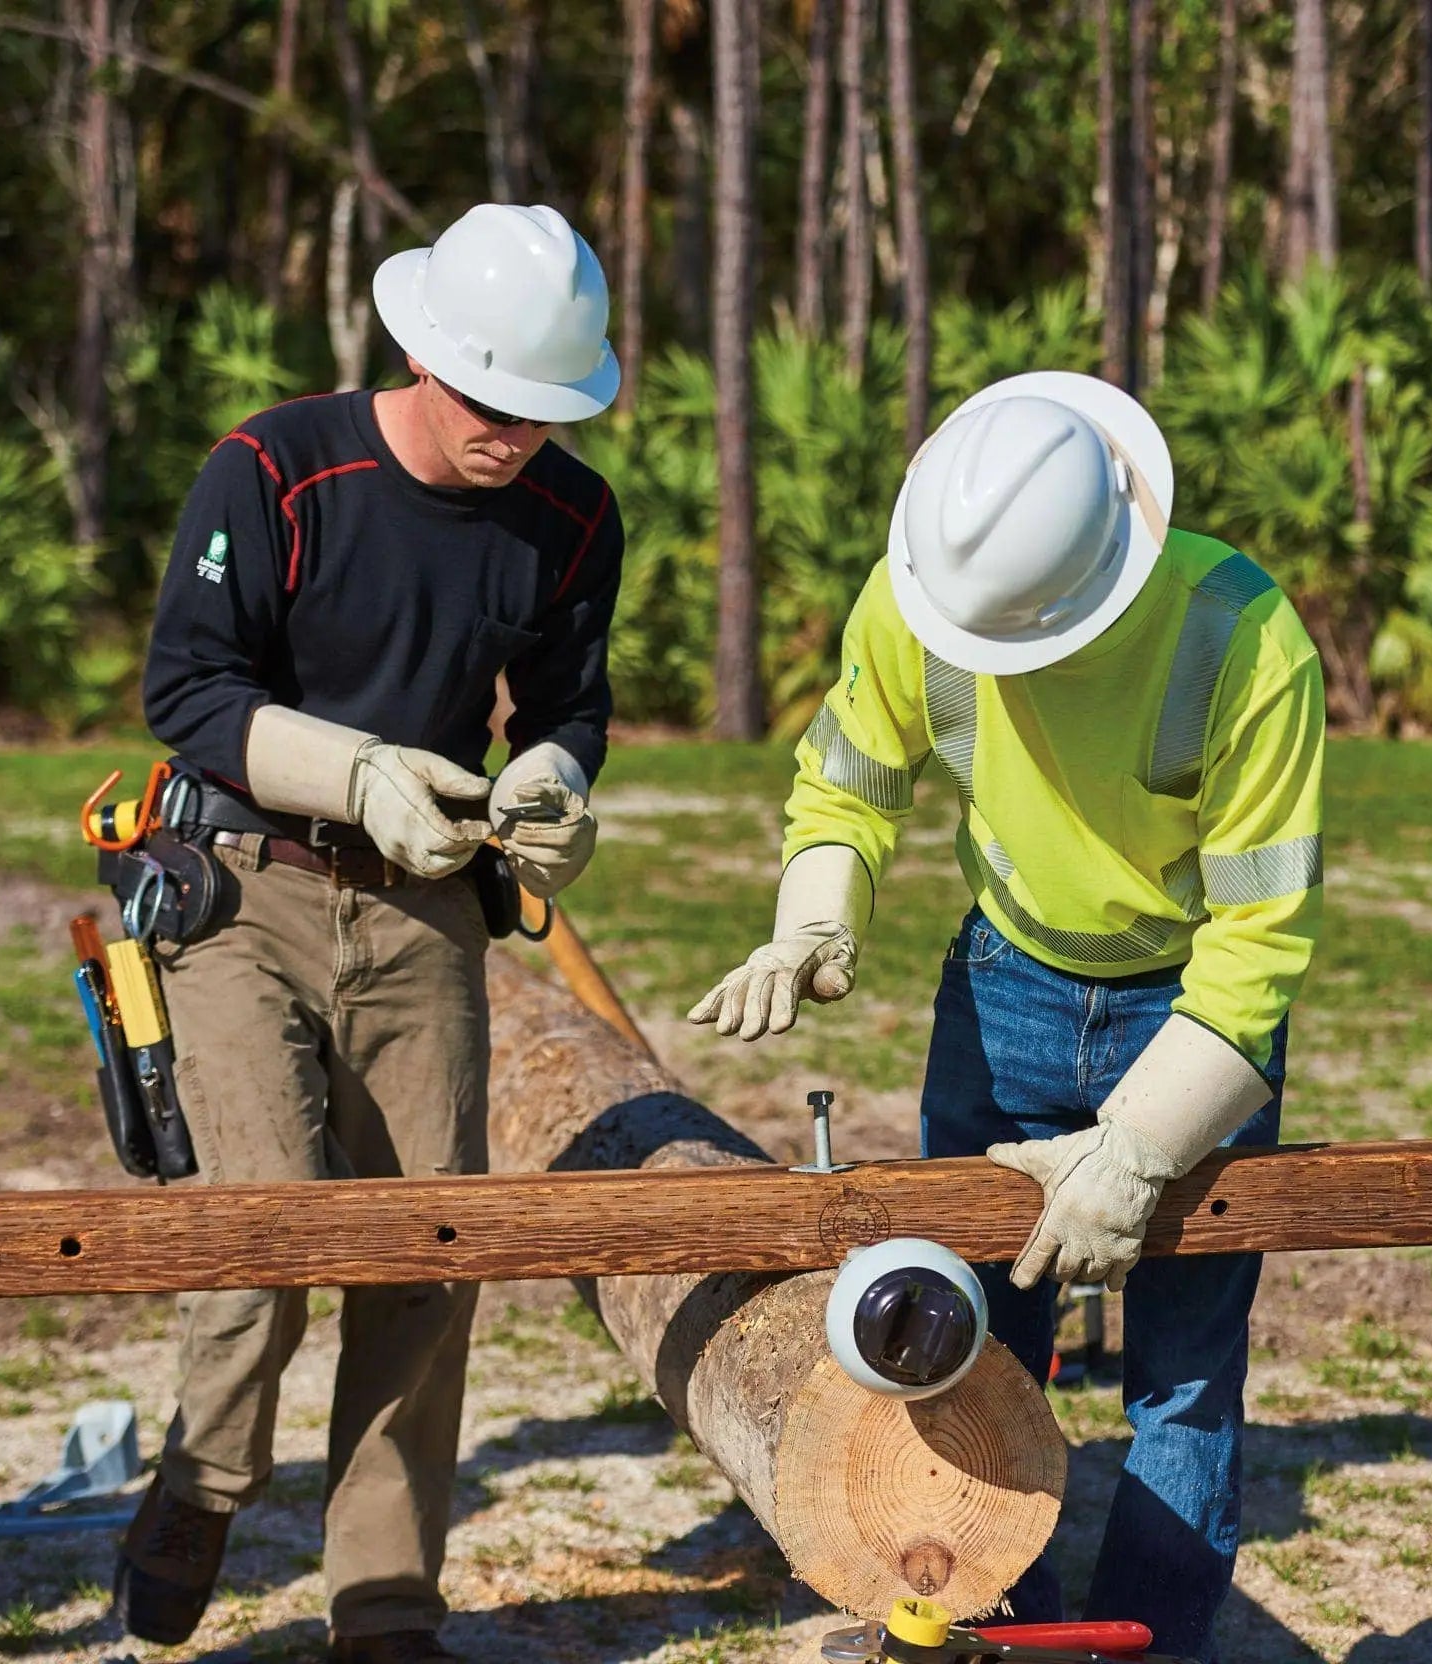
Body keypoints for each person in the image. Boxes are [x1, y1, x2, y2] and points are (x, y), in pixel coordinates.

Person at [688, 372, 1323, 1661]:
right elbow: (848, 784)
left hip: (1186, 1005)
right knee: (966, 1341)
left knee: (1185, 1381)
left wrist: (1140, 1147)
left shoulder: (1246, 643)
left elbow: (1259, 947)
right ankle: (980, 1628)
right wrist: (813, 918)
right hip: (1004, 988)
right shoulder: (924, 588)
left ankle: (1152, 1639)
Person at [118, 202, 625, 1664]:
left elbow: (569, 698)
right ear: (419, 352)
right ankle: (205, 1480)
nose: (513, 437)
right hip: (243, 891)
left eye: (545, 412)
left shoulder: (571, 518)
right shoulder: (272, 472)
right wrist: (351, 774)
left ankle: (386, 1601)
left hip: (427, 914)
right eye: (490, 404)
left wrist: (556, 776)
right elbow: (188, 691)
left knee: (427, 1254)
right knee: (264, 1229)